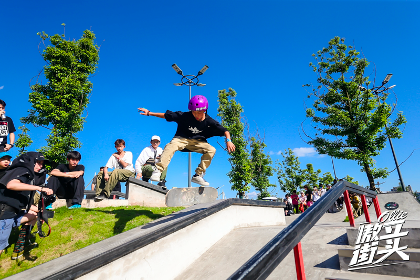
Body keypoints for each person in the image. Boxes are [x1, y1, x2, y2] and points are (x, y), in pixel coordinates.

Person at [137, 95, 235, 186]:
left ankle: (198, 175)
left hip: (197, 142)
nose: (196, 115)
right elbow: (166, 115)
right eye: (194, 112)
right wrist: (149, 113)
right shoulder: (184, 116)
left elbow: (225, 130)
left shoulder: (209, 121)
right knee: (170, 145)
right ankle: (158, 170)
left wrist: (229, 140)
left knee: (212, 150)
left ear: (204, 110)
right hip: (181, 139)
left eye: (198, 113)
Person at [0, 152, 53, 257]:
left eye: (42, 163)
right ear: (31, 162)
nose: (40, 166)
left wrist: (39, 210)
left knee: (34, 216)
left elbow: (16, 199)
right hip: (4, 214)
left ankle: (20, 245)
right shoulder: (23, 170)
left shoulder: (23, 174)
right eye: (38, 162)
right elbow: (11, 185)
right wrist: (40, 188)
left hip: (12, 213)